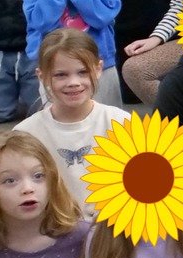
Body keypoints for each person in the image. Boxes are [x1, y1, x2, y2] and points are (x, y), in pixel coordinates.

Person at [15, 30, 130, 205]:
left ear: (98, 69)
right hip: (53, 226)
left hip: (110, 225)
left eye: (83, 72)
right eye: (61, 75)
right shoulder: (26, 134)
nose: (73, 82)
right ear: (42, 76)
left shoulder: (121, 122)